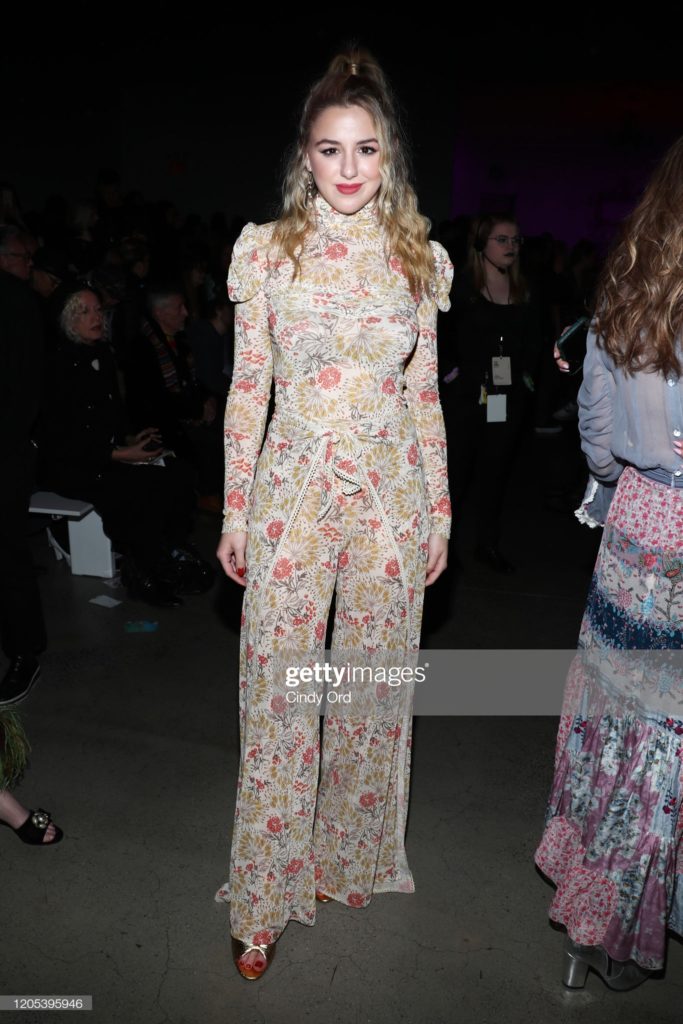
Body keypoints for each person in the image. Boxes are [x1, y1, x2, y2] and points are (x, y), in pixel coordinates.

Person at [215, 50, 452, 981]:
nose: (348, 169)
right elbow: (247, 390)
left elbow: (425, 392)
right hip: (292, 498)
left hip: (391, 502)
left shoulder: (417, 259)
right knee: (280, 690)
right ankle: (265, 891)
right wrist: (234, 512)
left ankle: (348, 854)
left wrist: (436, 514)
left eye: (365, 149)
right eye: (329, 149)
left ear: (387, 156)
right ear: (303, 159)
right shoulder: (266, 252)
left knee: (366, 692)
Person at [534, 135, 683, 990]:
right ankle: (628, 927)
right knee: (661, 743)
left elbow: (594, 418)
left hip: (633, 521)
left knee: (612, 726)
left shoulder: (628, 289)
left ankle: (594, 917)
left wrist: (613, 479)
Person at [38, 288, 212, 607]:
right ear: (66, 320)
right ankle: (143, 569)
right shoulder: (55, 367)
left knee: (177, 475)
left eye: (97, 310)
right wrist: (120, 454)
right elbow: (61, 439)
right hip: (70, 465)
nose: (96, 318)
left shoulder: (102, 354)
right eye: (84, 312)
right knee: (136, 490)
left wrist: (131, 440)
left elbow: (111, 415)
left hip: (104, 456)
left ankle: (163, 554)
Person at [441, 213, 540, 573]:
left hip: (503, 398)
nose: (511, 247)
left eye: (515, 240)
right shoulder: (462, 287)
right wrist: (451, 374)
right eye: (502, 239)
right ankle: (442, 549)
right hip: (466, 397)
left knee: (495, 470)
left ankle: (487, 543)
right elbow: (440, 334)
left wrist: (526, 378)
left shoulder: (524, 289)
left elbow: (534, 340)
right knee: (457, 473)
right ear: (482, 244)